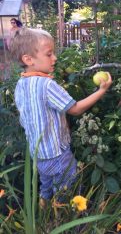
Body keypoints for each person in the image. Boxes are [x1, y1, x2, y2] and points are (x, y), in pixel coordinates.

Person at [10, 27, 112, 206]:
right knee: (67, 191)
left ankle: (42, 221)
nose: (54, 58)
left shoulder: (21, 84)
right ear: (28, 59)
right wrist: (102, 90)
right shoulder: (47, 85)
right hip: (57, 154)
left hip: (38, 153)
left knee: (46, 187)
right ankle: (62, 221)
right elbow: (75, 109)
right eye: (49, 54)